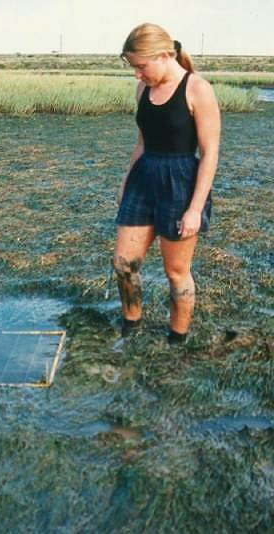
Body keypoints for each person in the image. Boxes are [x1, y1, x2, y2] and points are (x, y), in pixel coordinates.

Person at [114, 23, 221, 343]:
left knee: (176, 272)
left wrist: (195, 209)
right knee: (123, 264)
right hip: (144, 179)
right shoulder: (142, 90)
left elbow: (210, 152)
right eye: (133, 68)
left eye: (140, 67)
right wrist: (125, 181)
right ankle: (131, 327)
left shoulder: (197, 89)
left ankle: (178, 336)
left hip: (181, 182)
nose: (137, 75)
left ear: (163, 55)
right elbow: (142, 143)